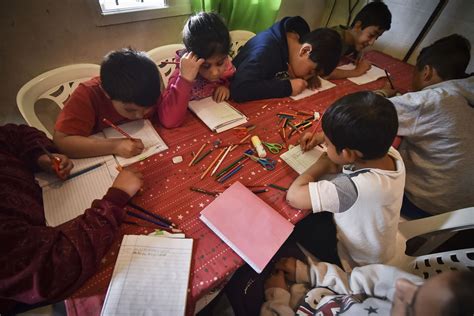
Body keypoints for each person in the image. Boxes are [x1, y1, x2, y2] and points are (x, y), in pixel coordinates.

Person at [0, 124, 143, 314]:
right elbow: (53, 269)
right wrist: (116, 198)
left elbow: (15, 135)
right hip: (50, 280)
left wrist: (40, 156)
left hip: (48, 202)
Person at [287, 91, 405, 271]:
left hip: (356, 260)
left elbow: (294, 197)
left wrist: (323, 164)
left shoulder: (353, 188)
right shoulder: (390, 153)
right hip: (380, 245)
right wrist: (322, 136)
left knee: (297, 224)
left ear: (348, 154)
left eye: (326, 143)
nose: (324, 146)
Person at [375, 34, 474, 218]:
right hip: (464, 208)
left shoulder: (433, 99)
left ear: (426, 72)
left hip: (424, 204)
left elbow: (366, 111)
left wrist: (382, 93)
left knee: (364, 156)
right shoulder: (467, 90)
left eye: (415, 73)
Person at [54, 48, 189, 158]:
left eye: (147, 108)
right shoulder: (88, 94)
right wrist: (114, 146)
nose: (140, 115)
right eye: (130, 110)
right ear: (106, 93)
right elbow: (62, 142)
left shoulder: (150, 87)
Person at [261, 257, 474, 315]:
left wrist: (277, 299)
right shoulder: (424, 296)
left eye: (410, 305)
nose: (402, 284)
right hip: (320, 293)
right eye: (422, 285)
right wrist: (309, 272)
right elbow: (362, 280)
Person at [230, 16, 342, 102]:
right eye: (310, 72)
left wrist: (310, 77)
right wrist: (287, 87)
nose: (307, 77)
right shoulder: (265, 51)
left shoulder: (295, 39)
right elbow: (239, 90)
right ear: (304, 51)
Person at [165, 11, 235, 106]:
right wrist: (185, 80)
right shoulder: (179, 76)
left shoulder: (227, 65)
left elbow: (233, 80)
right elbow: (168, 119)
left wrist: (225, 87)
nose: (214, 72)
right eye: (205, 66)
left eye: (220, 63)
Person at [327, 1, 392, 80]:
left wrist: (358, 52)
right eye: (371, 35)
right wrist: (357, 71)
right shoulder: (332, 39)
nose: (371, 43)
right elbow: (325, 73)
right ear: (358, 26)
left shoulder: (352, 36)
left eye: (377, 37)